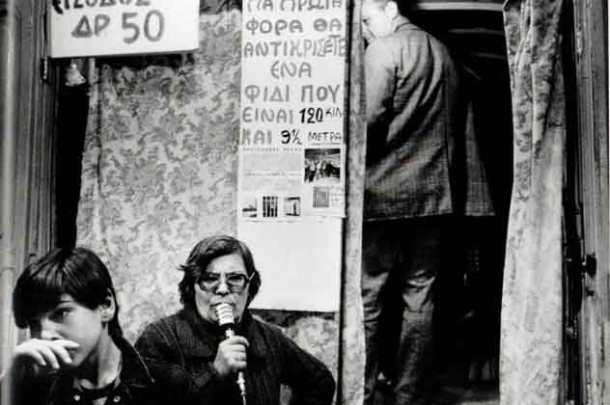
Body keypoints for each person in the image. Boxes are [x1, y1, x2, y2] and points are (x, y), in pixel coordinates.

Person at [360, 0, 494, 404]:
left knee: (369, 298)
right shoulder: (446, 54)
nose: (364, 30)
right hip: (435, 198)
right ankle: (409, 395)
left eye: (366, 20)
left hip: (383, 197)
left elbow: (368, 120)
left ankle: (360, 391)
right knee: (420, 299)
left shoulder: (383, 50)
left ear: (389, 8)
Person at [135, 234, 336, 405]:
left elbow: (320, 381)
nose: (223, 289)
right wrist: (214, 374)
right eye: (210, 278)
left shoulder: (268, 337)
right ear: (192, 285)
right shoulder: (160, 338)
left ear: (250, 286)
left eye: (235, 278)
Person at [2, 247, 161, 405]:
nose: (44, 335)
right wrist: (10, 382)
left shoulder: (163, 385)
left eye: (61, 313)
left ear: (106, 306)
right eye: (34, 323)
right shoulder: (35, 389)